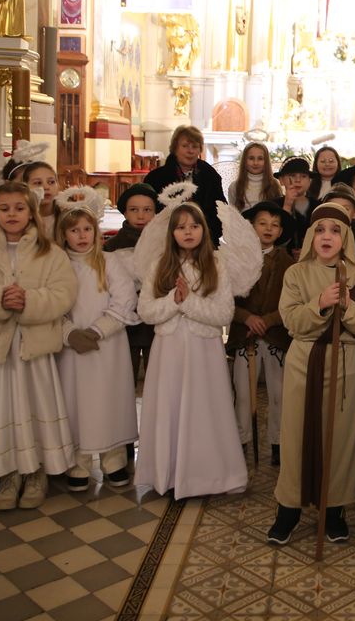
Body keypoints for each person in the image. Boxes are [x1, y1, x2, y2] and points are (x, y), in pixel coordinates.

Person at [0, 181, 78, 510]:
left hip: (32, 347)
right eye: (4, 209)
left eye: (19, 208)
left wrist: (29, 301)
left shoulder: (50, 253)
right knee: (1, 410)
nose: (12, 214)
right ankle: (8, 474)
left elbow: (64, 294)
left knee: (35, 407)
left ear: (32, 213)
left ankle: (36, 472)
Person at [133, 187, 262, 498]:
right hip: (168, 352)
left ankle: (209, 476)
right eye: (181, 227)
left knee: (205, 411)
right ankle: (168, 474)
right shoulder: (159, 266)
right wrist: (173, 301)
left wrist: (189, 301)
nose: (188, 232)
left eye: (194, 226)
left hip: (204, 352)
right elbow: (146, 311)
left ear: (204, 230)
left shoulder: (216, 265)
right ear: (171, 233)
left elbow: (223, 313)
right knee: (170, 409)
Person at [268, 203, 355, 545]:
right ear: (310, 236)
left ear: (346, 236)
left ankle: (334, 510)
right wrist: (319, 303)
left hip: (346, 363)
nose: (327, 236)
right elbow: (291, 321)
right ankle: (289, 509)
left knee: (342, 437)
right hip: (304, 360)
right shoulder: (296, 274)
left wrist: (347, 305)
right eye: (320, 230)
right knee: (296, 433)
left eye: (335, 230)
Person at [54, 191, 139, 491]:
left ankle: (113, 460)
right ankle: (77, 462)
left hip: (106, 346)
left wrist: (97, 331)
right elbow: (51, 304)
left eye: (87, 229)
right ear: (63, 234)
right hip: (72, 349)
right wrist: (69, 333)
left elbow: (125, 299)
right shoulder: (57, 264)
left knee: (108, 400)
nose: (81, 236)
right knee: (75, 402)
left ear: (96, 231)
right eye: (74, 230)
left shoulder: (109, 261)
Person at [228, 202, 296, 468]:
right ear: (251, 226)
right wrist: (247, 317)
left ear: (280, 231)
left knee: (279, 394)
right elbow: (225, 299)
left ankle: (278, 442)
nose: (268, 229)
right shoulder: (235, 259)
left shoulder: (288, 263)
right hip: (244, 336)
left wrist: (267, 320)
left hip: (276, 336)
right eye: (262, 223)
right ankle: (242, 440)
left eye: (275, 225)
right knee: (244, 394)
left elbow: (292, 303)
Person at [103, 183, 159, 387]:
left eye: (147, 210)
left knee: (158, 379)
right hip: (124, 322)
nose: (141, 216)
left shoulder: (164, 243)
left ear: (155, 212)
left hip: (156, 320)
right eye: (134, 210)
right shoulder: (112, 246)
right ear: (125, 212)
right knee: (124, 379)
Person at [144, 125, 227, 244]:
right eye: (185, 146)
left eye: (195, 146)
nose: (190, 151)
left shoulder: (209, 175)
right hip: (165, 240)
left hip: (205, 238)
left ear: (200, 150)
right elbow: (150, 212)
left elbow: (220, 209)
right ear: (175, 148)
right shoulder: (156, 178)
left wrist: (206, 233)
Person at [228, 142, 283, 211]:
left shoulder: (275, 184)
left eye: (260, 158)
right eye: (251, 158)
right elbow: (232, 213)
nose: (255, 163)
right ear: (244, 161)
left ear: (266, 162)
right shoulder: (235, 186)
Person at [276, 157, 313, 259]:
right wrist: (287, 205)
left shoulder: (319, 206)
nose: (297, 180)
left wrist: (310, 251)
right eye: (292, 176)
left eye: (303, 176)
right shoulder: (273, 206)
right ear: (281, 180)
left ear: (309, 181)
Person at [20, 161, 62, 239]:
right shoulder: (20, 219)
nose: (46, 187)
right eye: (38, 183)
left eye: (51, 182)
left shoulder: (66, 217)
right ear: (26, 187)